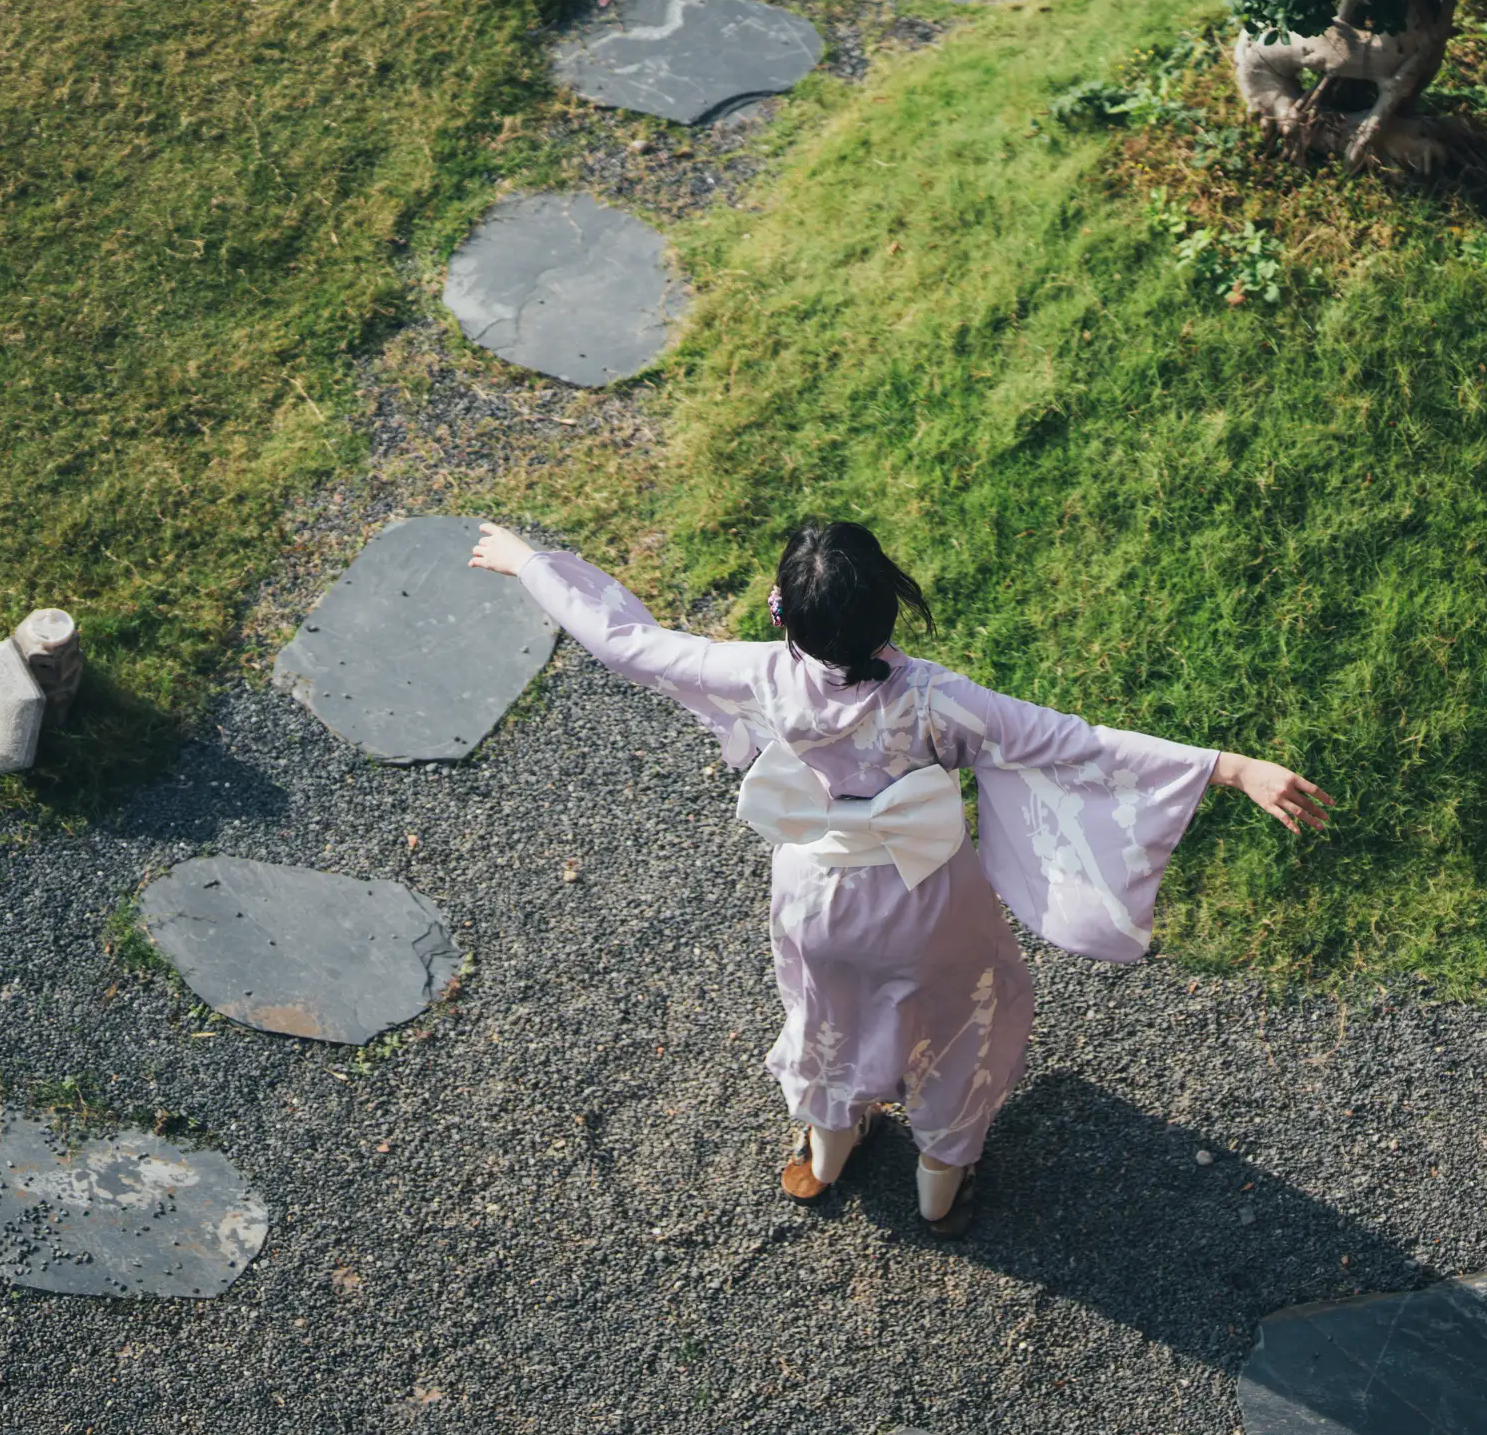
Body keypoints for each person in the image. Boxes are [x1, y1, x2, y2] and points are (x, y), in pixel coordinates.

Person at [468, 518, 1330, 1235]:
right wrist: (1228, 765)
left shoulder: (759, 674)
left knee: (826, 1012)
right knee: (962, 1025)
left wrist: (530, 565)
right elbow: (1077, 741)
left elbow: (629, 641)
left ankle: (826, 1155)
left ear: (785, 619)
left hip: (817, 897)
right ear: (889, 609)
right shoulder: (938, 699)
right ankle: (939, 1190)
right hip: (930, 906)